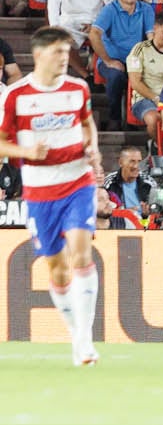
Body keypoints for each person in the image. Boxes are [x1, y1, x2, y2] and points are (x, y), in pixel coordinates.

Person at [0, 28, 102, 367]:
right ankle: (76, 334)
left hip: (78, 182)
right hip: (40, 190)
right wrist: (26, 150)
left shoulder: (78, 89)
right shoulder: (16, 95)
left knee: (81, 250)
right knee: (58, 270)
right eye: (59, 52)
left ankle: (86, 341)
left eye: (66, 52)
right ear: (40, 54)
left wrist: (94, 150)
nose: (65, 59)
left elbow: (88, 124)